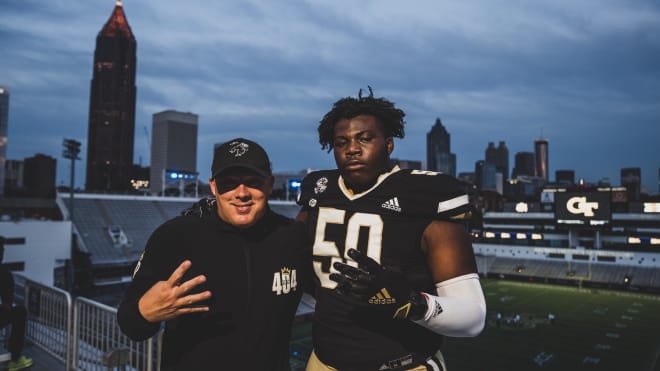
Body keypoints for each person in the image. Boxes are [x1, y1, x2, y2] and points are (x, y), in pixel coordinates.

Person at [296, 87, 487, 371]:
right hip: (324, 362)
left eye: (365, 138)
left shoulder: (424, 194)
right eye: (341, 142)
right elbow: (286, 256)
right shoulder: (319, 190)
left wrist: (411, 304)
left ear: (388, 144)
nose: (352, 149)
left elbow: (473, 318)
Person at [117, 138, 310, 371]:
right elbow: (129, 323)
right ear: (213, 186)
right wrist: (145, 313)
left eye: (253, 182)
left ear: (269, 184)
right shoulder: (175, 236)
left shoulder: (292, 238)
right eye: (229, 183)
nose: (241, 193)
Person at [0, 237, 34, 371]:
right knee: (20, 313)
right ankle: (15, 359)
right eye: (2, 250)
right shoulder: (3, 273)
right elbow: (7, 306)